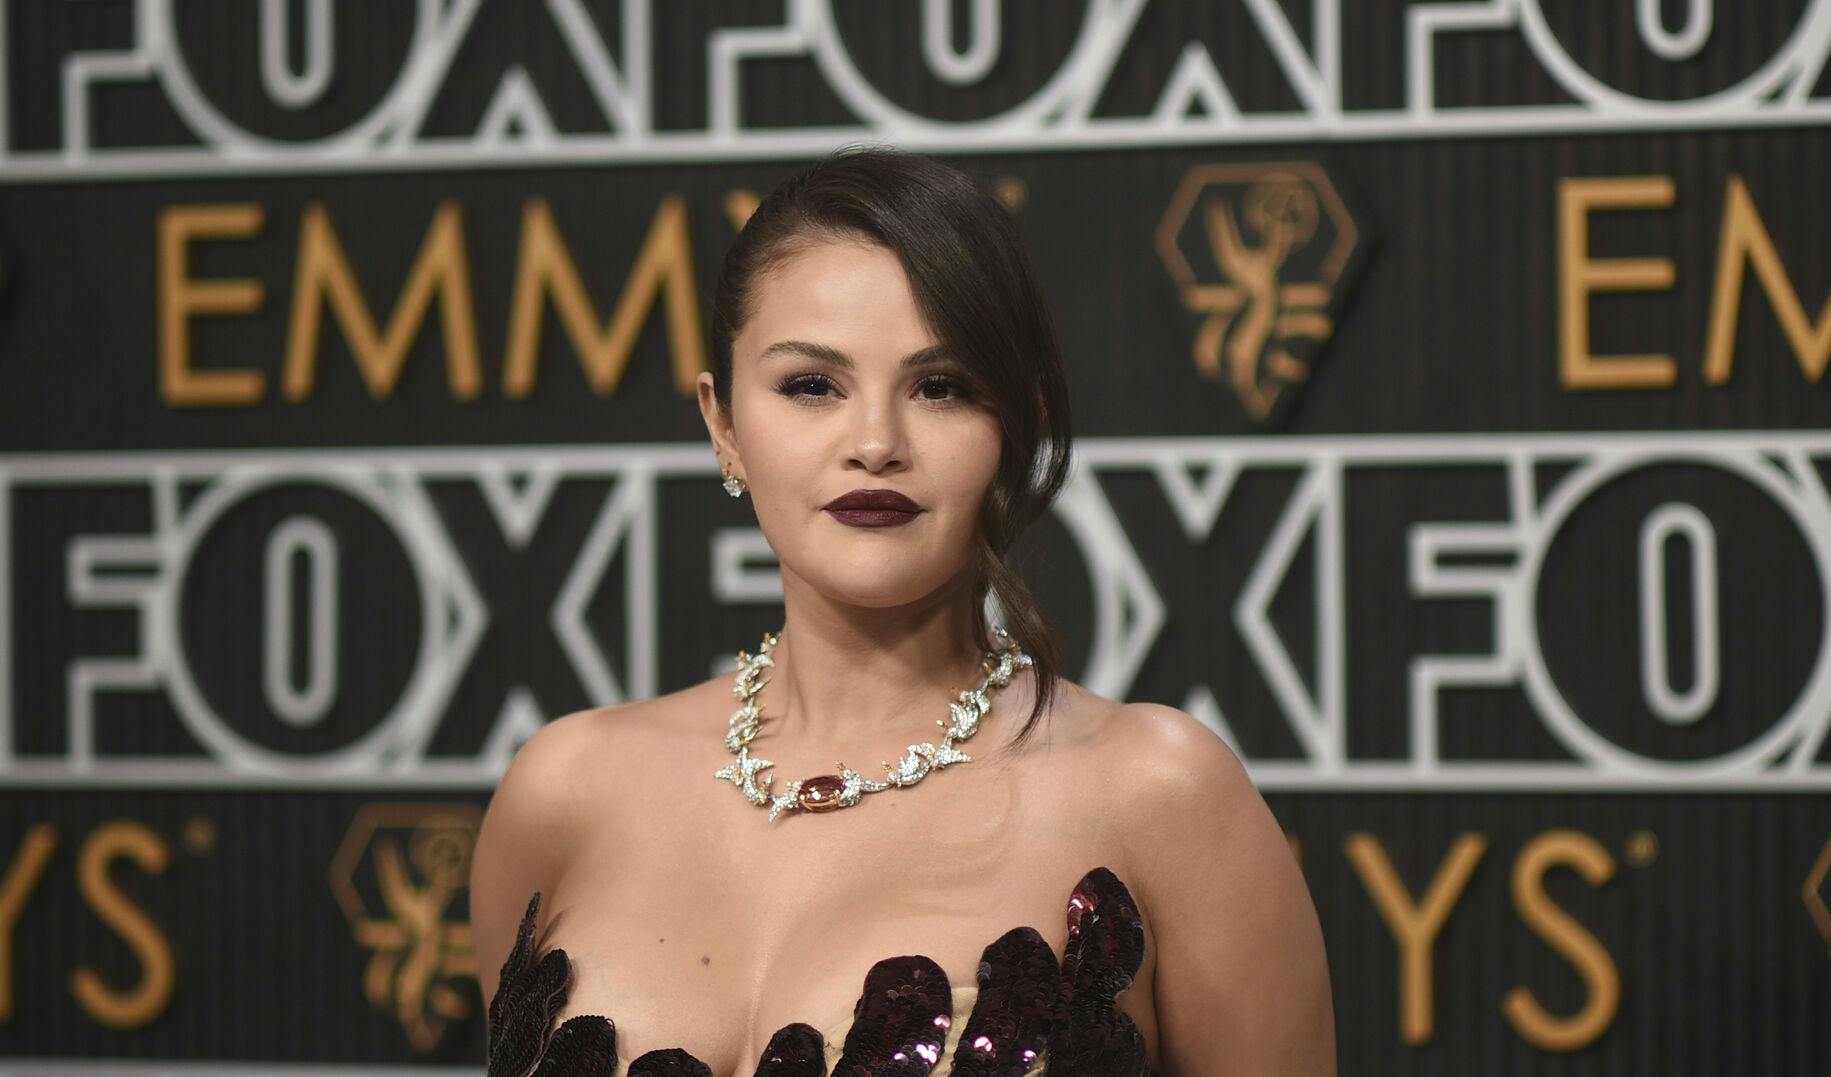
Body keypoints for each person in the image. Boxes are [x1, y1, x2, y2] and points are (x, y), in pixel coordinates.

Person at [469, 147, 1335, 1077]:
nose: (875, 443)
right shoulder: (564, 791)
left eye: (942, 386)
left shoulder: (1161, 794)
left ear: (1018, 428)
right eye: (812, 385)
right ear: (723, 425)